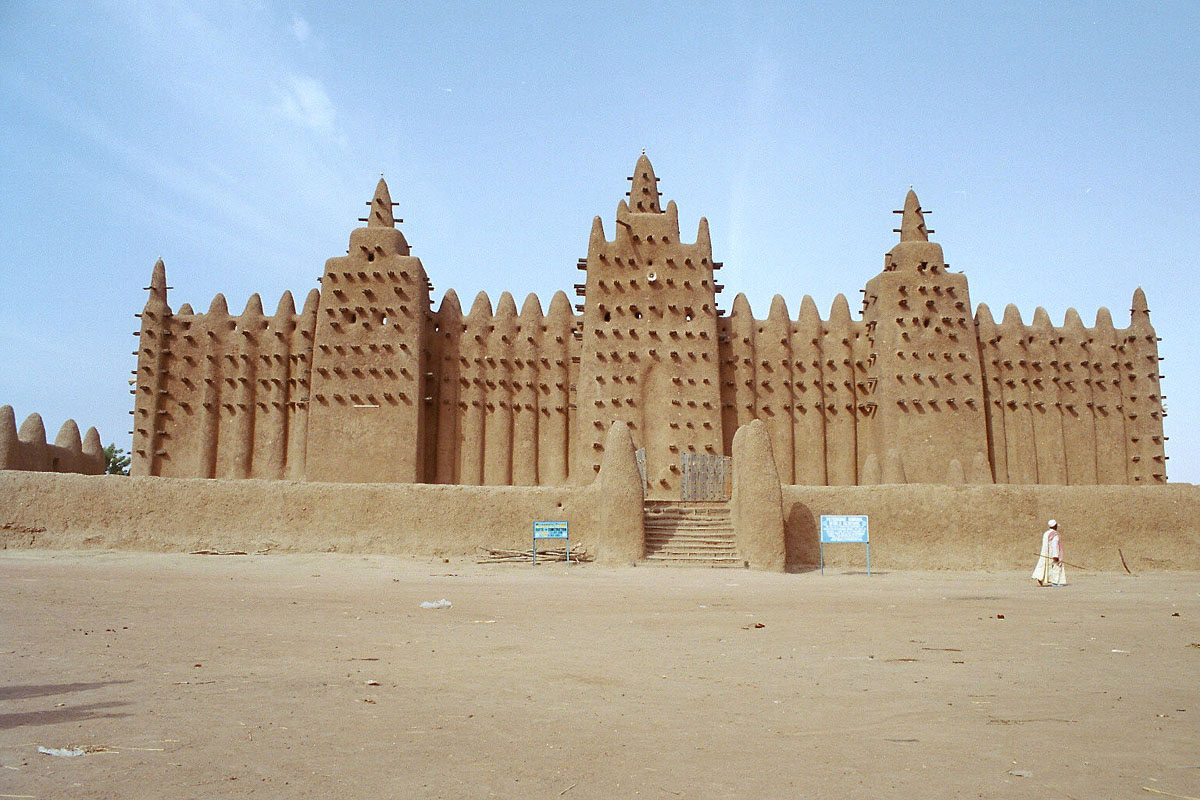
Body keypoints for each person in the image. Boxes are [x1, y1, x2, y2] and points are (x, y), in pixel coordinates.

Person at [1031, 520, 1066, 587]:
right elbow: (1055, 545)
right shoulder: (1055, 535)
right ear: (1055, 526)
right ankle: (1055, 582)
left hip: (1046, 553)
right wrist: (1055, 556)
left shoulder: (1046, 533)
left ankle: (1041, 578)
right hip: (1053, 554)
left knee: (1045, 565)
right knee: (1055, 567)